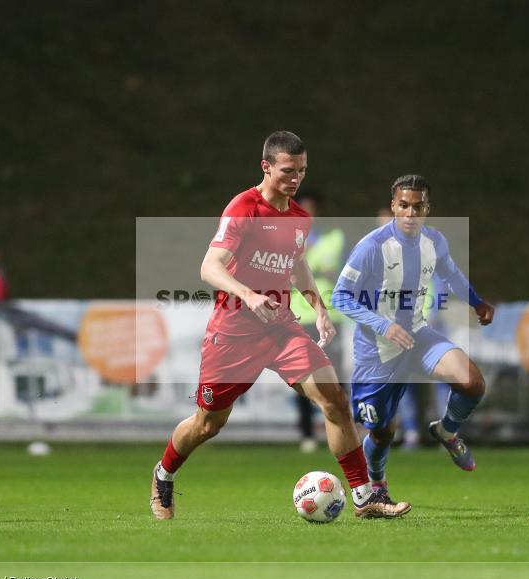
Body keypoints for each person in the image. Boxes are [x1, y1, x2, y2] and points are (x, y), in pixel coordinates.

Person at [149, 132, 410, 520]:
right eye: (288, 170)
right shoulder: (243, 208)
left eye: (302, 170)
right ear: (266, 166)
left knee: (335, 399)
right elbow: (210, 266)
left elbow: (296, 264)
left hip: (280, 329)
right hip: (234, 333)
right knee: (207, 425)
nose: (296, 178)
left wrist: (318, 306)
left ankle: (363, 496)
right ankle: (163, 473)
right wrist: (249, 295)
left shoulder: (300, 218)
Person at [332, 174, 495, 498]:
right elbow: (339, 297)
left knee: (472, 382)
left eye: (417, 207)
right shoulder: (372, 247)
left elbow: (451, 274)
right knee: (381, 433)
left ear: (427, 209)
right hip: (378, 350)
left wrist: (477, 302)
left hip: (419, 335)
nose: (410, 213)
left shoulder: (434, 242)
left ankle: (446, 431)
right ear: (393, 206)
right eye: (404, 205)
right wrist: (384, 325)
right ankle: (377, 481)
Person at [288, 188, 346, 453]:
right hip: (299, 315)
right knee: (302, 377)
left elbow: (348, 274)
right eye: (304, 207)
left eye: (312, 207)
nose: (308, 212)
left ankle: (344, 428)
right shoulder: (285, 238)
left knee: (334, 376)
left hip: (329, 314)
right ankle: (307, 433)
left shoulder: (334, 238)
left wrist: (330, 271)